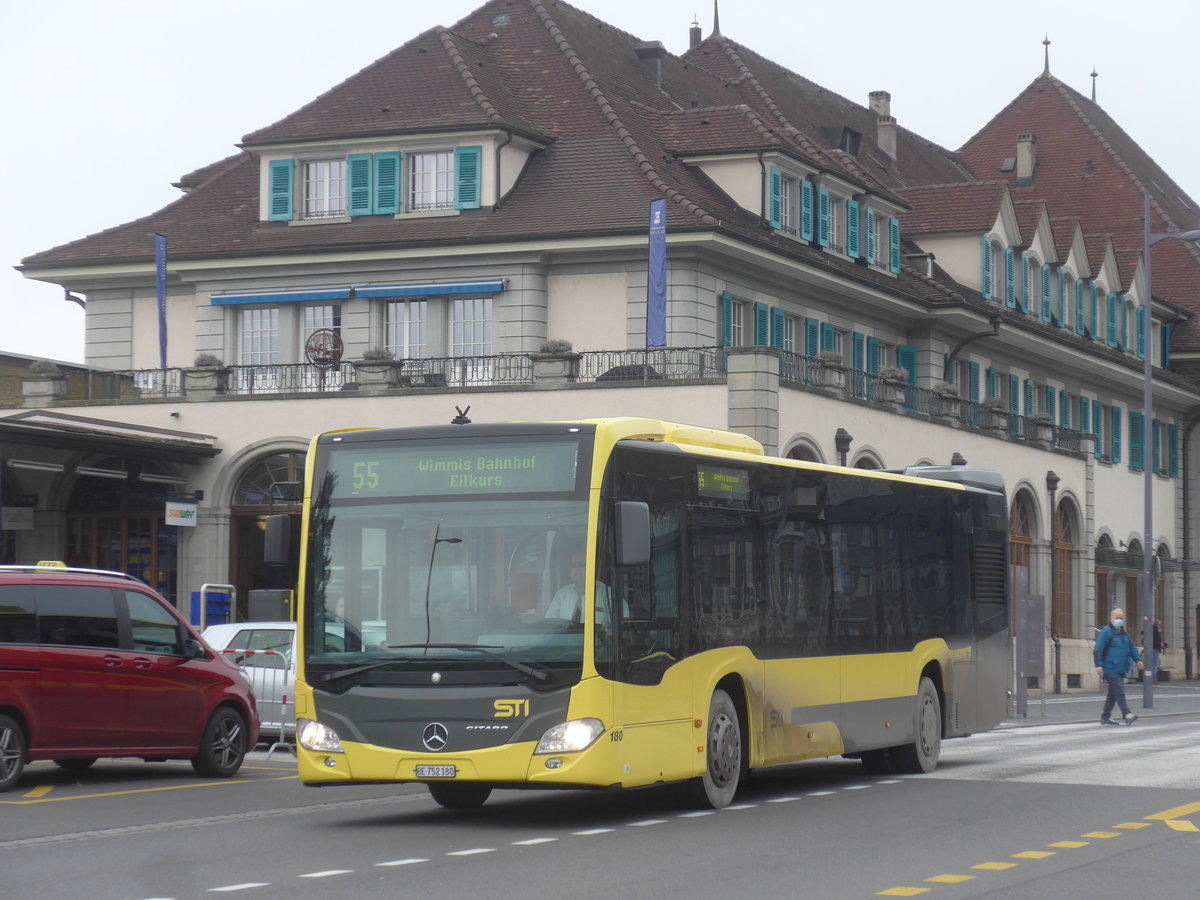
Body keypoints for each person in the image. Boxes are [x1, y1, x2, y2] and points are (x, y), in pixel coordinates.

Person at [1094, 608, 1144, 725]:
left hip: (1121, 668)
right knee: (1119, 690)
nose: (1119, 620)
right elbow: (1098, 649)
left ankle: (1105, 717)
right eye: (1117, 618)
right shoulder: (1106, 632)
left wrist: (1138, 659)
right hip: (1110, 667)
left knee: (1113, 693)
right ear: (1111, 619)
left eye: (1121, 618)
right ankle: (1127, 714)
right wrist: (1098, 665)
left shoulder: (1124, 633)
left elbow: (1131, 647)